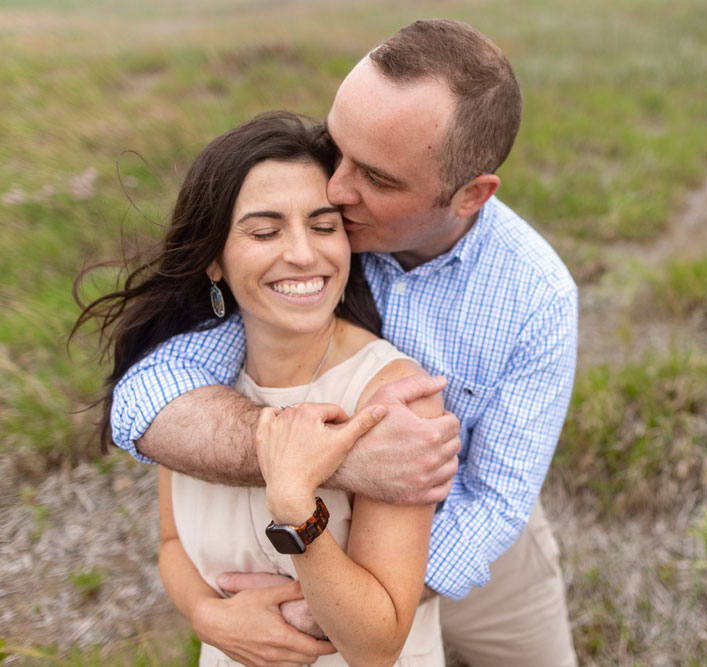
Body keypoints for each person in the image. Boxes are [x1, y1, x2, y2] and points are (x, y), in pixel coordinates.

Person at [111, 19, 578, 667]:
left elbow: (496, 495)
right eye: (338, 146)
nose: (334, 187)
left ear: (470, 195)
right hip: (321, 544)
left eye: (378, 178)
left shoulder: (537, 294)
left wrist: (347, 604)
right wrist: (332, 461)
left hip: (478, 558)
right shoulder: (313, 241)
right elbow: (148, 398)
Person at [76, 111, 446, 665]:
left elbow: (377, 644)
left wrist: (297, 507)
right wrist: (208, 616)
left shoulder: (394, 395)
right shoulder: (191, 394)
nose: (303, 253)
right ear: (213, 261)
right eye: (266, 231)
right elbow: (174, 547)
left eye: (324, 226)